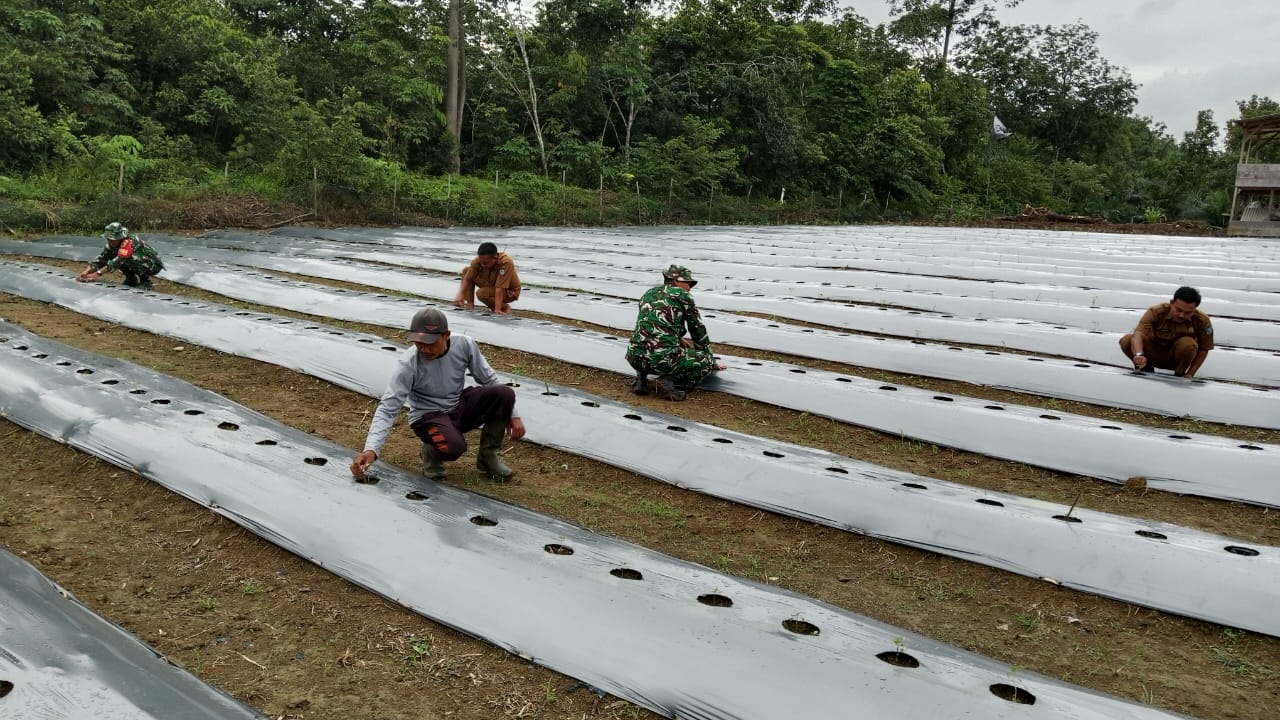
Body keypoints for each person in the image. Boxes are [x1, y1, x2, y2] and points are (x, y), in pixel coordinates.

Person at [350, 308, 526, 482]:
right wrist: (371, 449)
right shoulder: (408, 364)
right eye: (419, 344)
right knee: (455, 447)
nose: (425, 350)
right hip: (428, 416)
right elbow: (388, 408)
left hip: (457, 406)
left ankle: (488, 457)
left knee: (503, 394)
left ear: (446, 335)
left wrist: (513, 414)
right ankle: (431, 454)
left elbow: (489, 378)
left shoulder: (464, 345)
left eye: (431, 344)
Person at [626, 264, 725, 401]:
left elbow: (651, 326)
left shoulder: (648, 294)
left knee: (648, 347)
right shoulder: (683, 295)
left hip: (634, 357)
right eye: (688, 283)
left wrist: (678, 338)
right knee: (704, 361)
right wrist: (711, 361)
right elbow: (697, 331)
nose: (689, 287)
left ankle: (641, 379)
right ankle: (671, 380)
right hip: (661, 360)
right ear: (676, 281)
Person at [1119, 286, 1214, 379]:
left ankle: (1180, 374)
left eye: (1188, 313)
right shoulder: (1156, 312)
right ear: (1172, 303)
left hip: (1177, 359)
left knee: (1188, 344)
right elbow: (1138, 335)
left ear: (1195, 309)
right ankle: (1144, 368)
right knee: (1127, 340)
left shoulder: (1202, 320)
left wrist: (1190, 374)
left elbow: (1204, 349)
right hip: (1154, 352)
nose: (1181, 315)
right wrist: (1139, 355)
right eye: (1178, 310)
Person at [75, 222, 165, 289]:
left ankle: (145, 281)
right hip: (136, 261)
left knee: (126, 258)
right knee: (115, 256)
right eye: (108, 239)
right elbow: (100, 260)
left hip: (152, 265)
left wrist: (96, 274)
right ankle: (131, 279)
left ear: (119, 237)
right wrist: (85, 272)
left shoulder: (129, 242)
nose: (110, 241)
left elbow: (118, 261)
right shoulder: (112, 245)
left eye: (112, 239)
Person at [455, 242, 521, 314]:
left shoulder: (505, 263)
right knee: (466, 271)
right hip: (491, 284)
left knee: (481, 293)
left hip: (509, 291)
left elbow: (500, 288)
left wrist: (498, 309)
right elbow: (468, 278)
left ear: (495, 257)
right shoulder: (479, 260)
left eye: (486, 263)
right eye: (481, 263)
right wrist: (461, 295)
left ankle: (504, 307)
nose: (483, 265)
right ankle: (470, 303)